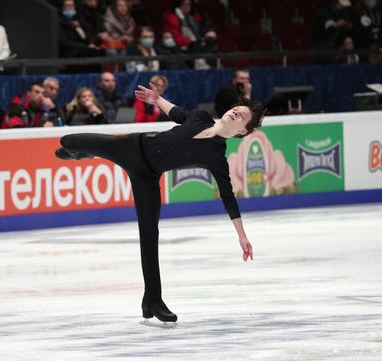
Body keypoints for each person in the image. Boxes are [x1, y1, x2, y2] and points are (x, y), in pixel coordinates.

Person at [54, 82, 265, 323]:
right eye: (237, 109)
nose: (236, 111)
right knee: (68, 141)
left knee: (149, 236)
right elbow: (176, 112)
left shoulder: (216, 156)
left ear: (241, 132)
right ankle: (86, 153)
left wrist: (242, 235)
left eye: (242, 115)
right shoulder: (200, 117)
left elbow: (228, 195)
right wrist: (157, 99)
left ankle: (152, 301)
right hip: (131, 147)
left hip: (148, 176)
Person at [58, 0, 106, 73]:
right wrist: (84, 46)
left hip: (85, 48)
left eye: (72, 5)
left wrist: (92, 43)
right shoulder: (60, 23)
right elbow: (63, 42)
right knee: (90, 52)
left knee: (100, 51)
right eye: (67, 6)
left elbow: (89, 34)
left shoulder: (80, 20)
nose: (70, 8)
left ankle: (99, 75)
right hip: (71, 51)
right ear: (62, 8)